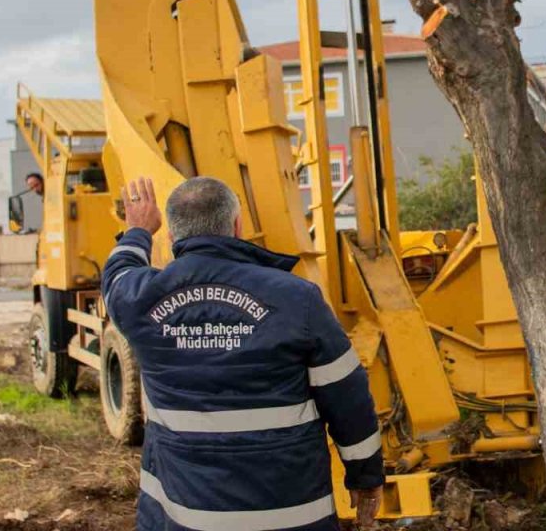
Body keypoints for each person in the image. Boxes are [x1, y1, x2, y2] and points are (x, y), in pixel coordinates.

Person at [102, 176, 384, 531]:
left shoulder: (141, 299)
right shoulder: (299, 299)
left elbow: (115, 277)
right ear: (237, 226)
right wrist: (364, 474)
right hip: (291, 515)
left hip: (187, 518)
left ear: (172, 237)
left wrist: (139, 230)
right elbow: (348, 395)